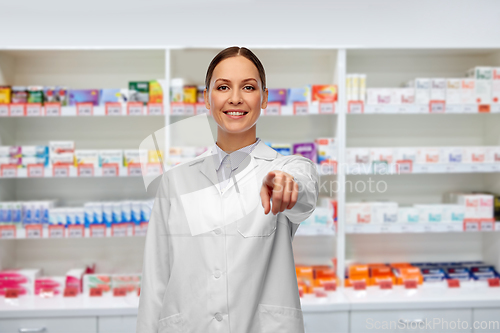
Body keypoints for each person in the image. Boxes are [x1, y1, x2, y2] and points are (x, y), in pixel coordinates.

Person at [137, 46, 319, 333]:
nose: (235, 98)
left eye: (248, 87)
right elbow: (155, 278)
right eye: (223, 87)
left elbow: (303, 193)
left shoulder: (287, 167)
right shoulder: (176, 181)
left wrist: (288, 185)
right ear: (208, 100)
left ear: (265, 98)